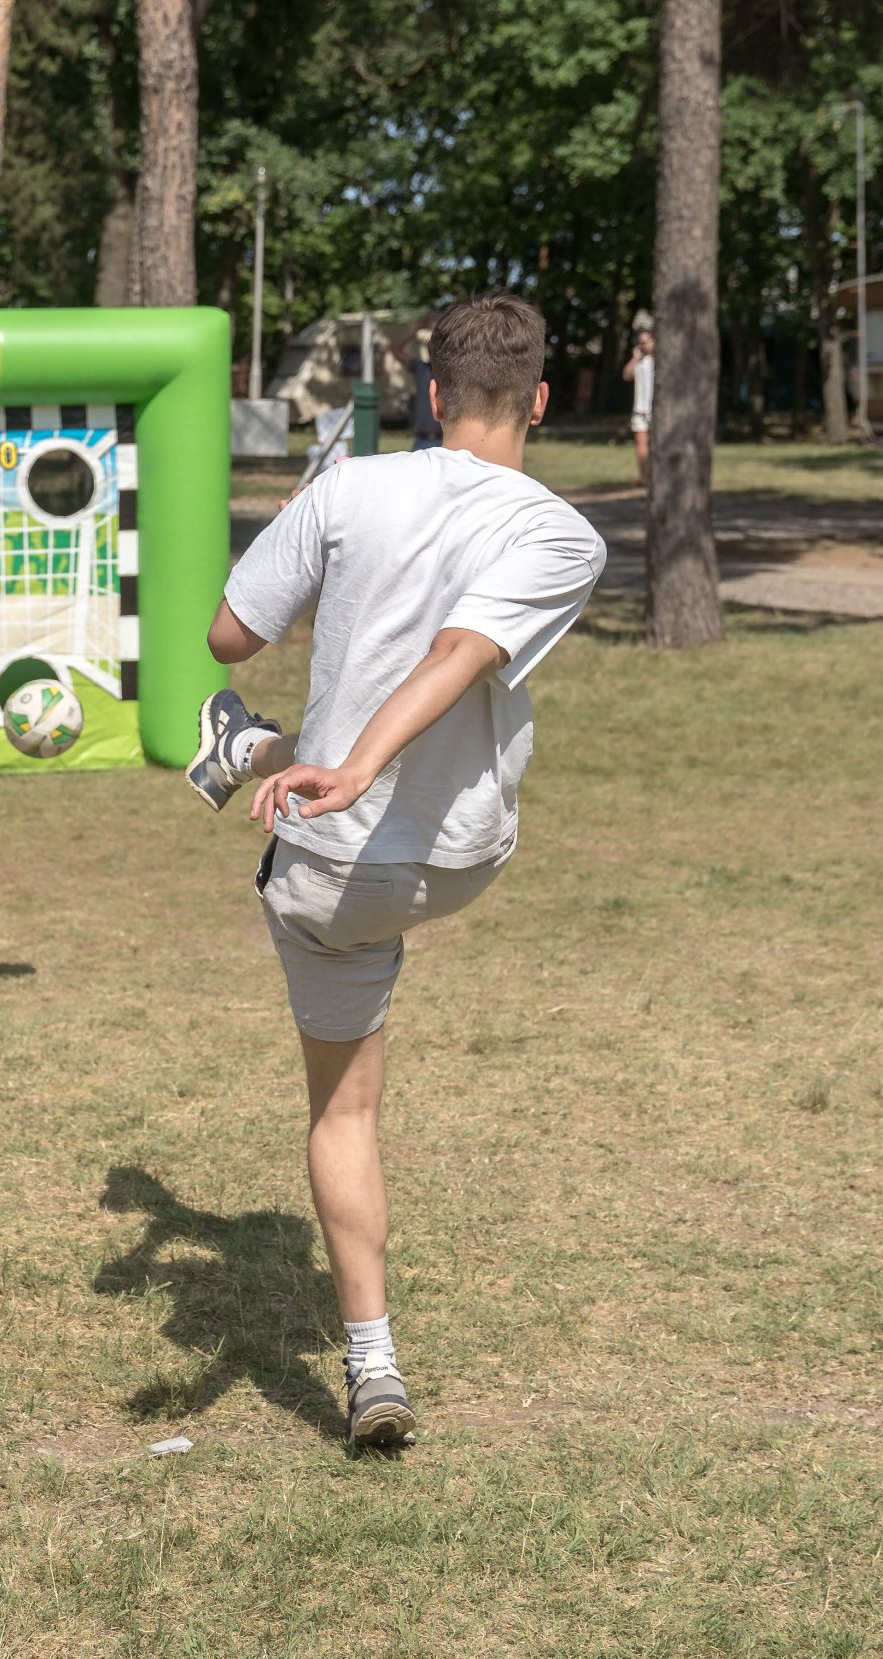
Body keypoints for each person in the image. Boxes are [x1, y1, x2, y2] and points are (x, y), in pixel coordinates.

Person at [182, 293, 605, 1450]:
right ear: (538, 400)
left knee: (343, 1107)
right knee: (348, 810)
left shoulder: (347, 487)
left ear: (430, 392)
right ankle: (256, 752)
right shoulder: (564, 534)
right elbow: (467, 648)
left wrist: (355, 761)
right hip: (462, 857)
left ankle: (372, 1361)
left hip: (331, 862)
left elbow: (228, 638)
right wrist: (362, 767)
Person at [393, 324, 442, 451]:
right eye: (430, 349)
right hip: (422, 438)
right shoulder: (420, 368)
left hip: (443, 438)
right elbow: (395, 349)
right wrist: (418, 326)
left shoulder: (450, 372)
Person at [622, 326, 655, 485]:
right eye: (640, 342)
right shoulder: (639, 361)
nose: (642, 346)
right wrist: (635, 358)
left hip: (655, 409)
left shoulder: (659, 360)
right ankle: (643, 477)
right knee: (641, 445)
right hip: (640, 408)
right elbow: (626, 375)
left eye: (645, 342)